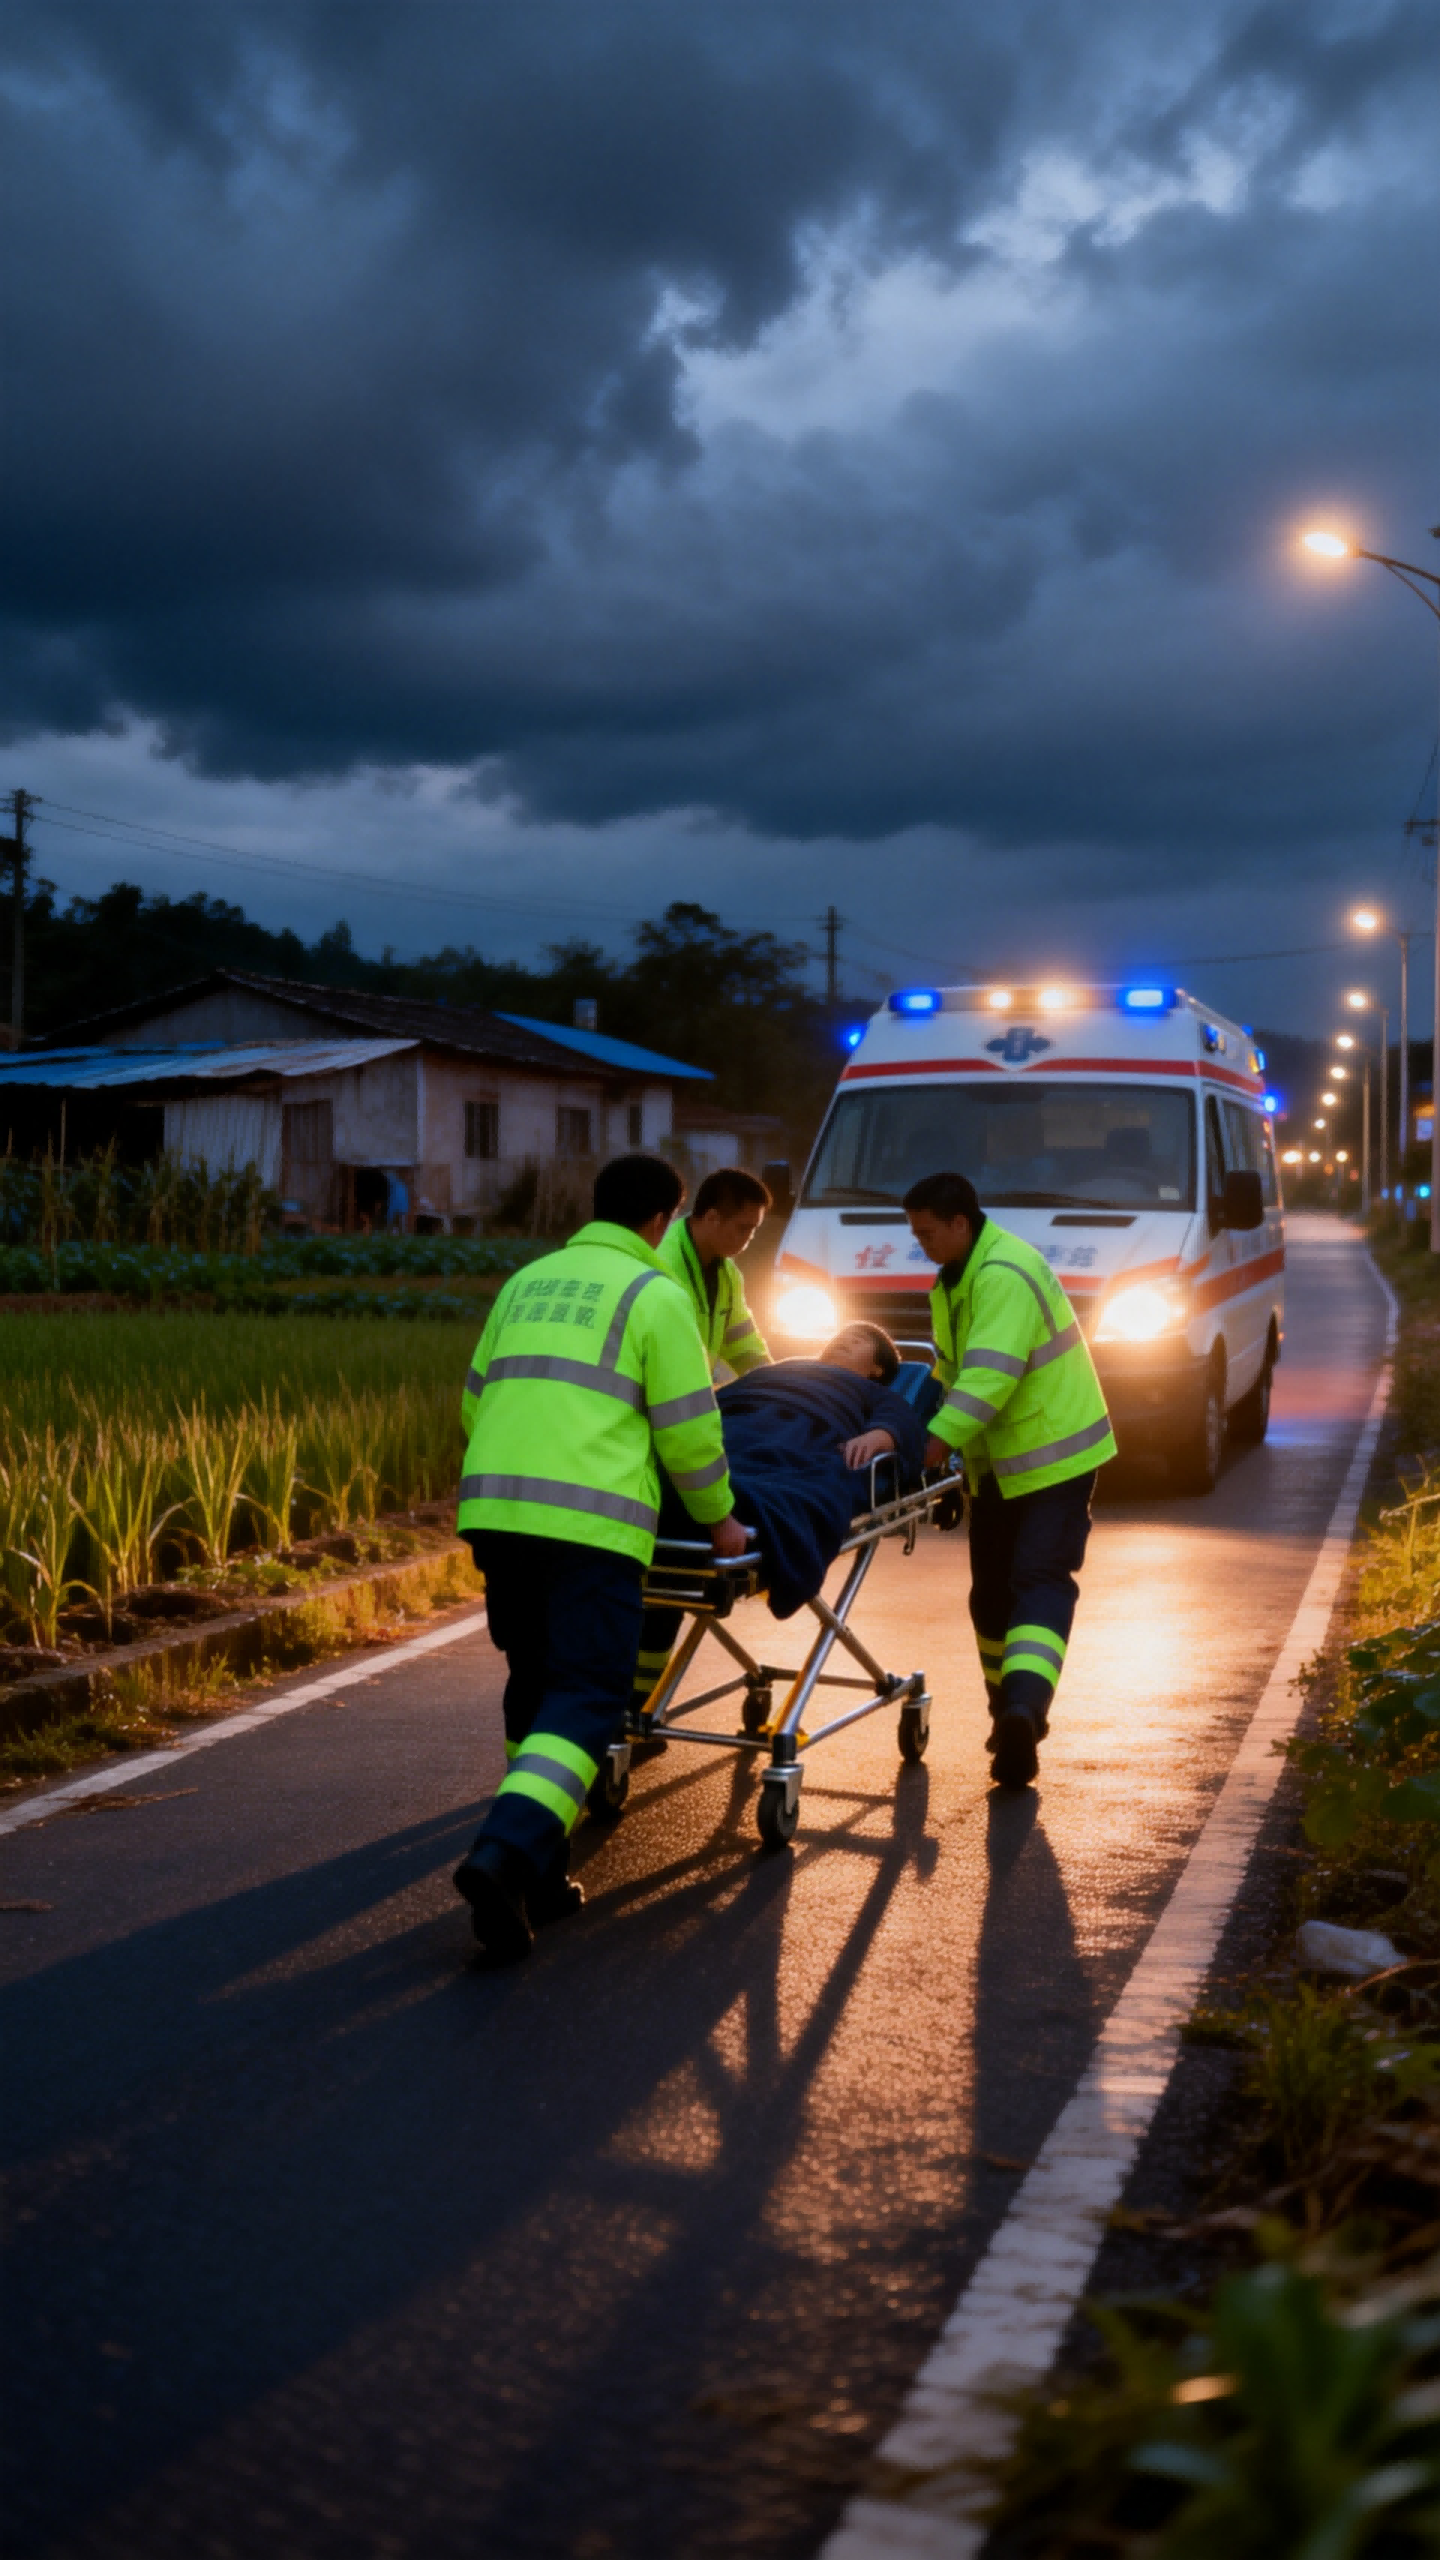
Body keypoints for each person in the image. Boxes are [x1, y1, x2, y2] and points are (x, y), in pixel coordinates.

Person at [453, 1153, 748, 1962]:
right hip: (588, 1528)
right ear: (663, 1220)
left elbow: (475, 1398)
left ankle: (538, 1877)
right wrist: (720, 1518)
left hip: (496, 1513)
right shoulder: (657, 1295)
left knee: (535, 1680)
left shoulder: (526, 1283)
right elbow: (689, 1427)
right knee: (588, 1694)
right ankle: (503, 1851)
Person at [903, 1170, 1116, 1791]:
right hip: (1000, 1461)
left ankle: (1022, 1709)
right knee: (993, 1595)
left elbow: (989, 1379)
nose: (922, 1245)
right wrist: (950, 1464)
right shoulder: (955, 1278)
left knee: (1036, 1581)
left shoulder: (1001, 1276)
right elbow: (950, 1371)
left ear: (960, 1223)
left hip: (1054, 1453)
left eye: (927, 1233)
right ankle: (1012, 1716)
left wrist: (932, 1447)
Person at [634, 1323, 928, 1721]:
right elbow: (711, 1406)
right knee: (690, 1470)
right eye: (841, 1335)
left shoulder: (870, 1392)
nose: (843, 1339)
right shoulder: (774, 1371)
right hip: (734, 1433)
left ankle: (720, 1502)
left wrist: (878, 1438)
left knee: (788, 1484)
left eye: (859, 1341)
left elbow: (900, 1421)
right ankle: (632, 1705)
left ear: (878, 1369)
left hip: (800, 1442)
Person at [658, 1166, 772, 1380]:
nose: (749, 1237)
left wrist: (775, 1384)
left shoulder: (729, 1274)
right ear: (712, 1218)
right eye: (744, 1228)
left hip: (688, 1397)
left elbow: (743, 1345)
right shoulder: (663, 1264)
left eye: (754, 1230)